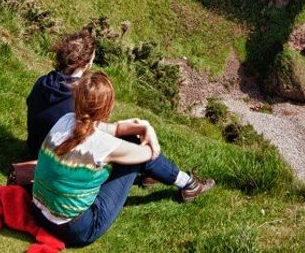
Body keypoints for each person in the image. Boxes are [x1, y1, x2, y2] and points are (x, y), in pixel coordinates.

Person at [32, 71, 214, 246]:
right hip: (77, 230)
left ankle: (160, 179)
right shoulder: (102, 145)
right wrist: (148, 131)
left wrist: (144, 127)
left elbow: (114, 129)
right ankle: (188, 184)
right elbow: (149, 154)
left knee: (130, 140)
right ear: (107, 108)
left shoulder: (66, 119)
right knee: (136, 147)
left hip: (39, 213)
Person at [26, 28, 97, 159]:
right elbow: (91, 132)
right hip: (57, 161)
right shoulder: (83, 96)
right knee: (133, 140)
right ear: (87, 64)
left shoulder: (43, 81)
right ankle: (147, 168)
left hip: (34, 151)